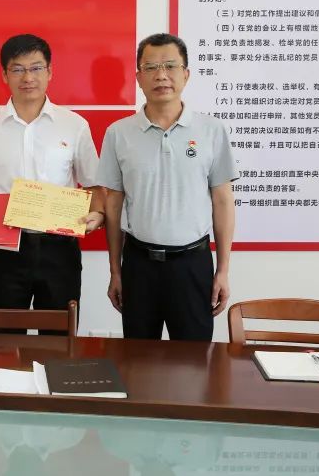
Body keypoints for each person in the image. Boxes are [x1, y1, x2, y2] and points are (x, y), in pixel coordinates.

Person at [96, 33, 238, 341]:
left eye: (170, 66)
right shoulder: (119, 133)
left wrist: (223, 271)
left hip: (192, 264)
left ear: (186, 74)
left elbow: (223, 201)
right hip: (139, 266)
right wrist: (115, 271)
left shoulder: (212, 130)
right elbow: (113, 204)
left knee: (194, 360)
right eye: (151, 67)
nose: (161, 75)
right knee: (138, 358)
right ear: (138, 77)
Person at [0, 34, 103, 326]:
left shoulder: (74, 125)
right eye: (18, 69)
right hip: (5, 247)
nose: (28, 77)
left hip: (59, 248)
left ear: (50, 71)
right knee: (3, 337)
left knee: (58, 339)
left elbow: (93, 185)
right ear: (4, 74)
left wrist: (98, 215)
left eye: (36, 68)